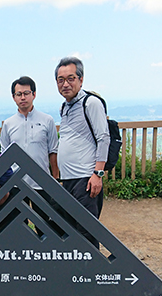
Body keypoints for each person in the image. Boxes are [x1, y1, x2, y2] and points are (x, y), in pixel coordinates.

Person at [55, 56, 110, 248]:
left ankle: (92, 274)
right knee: (71, 230)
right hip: (68, 179)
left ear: (81, 79)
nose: (65, 84)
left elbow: (104, 138)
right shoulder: (65, 106)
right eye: (60, 80)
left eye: (71, 78)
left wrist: (98, 174)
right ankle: (78, 275)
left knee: (86, 232)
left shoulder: (91, 102)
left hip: (85, 179)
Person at [0, 76, 59, 189]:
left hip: (42, 183)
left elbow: (53, 151)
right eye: (19, 94)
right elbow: (4, 155)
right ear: (13, 97)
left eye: (26, 93)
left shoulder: (47, 120)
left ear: (34, 94)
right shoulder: (8, 124)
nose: (23, 97)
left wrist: (55, 179)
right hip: (16, 183)